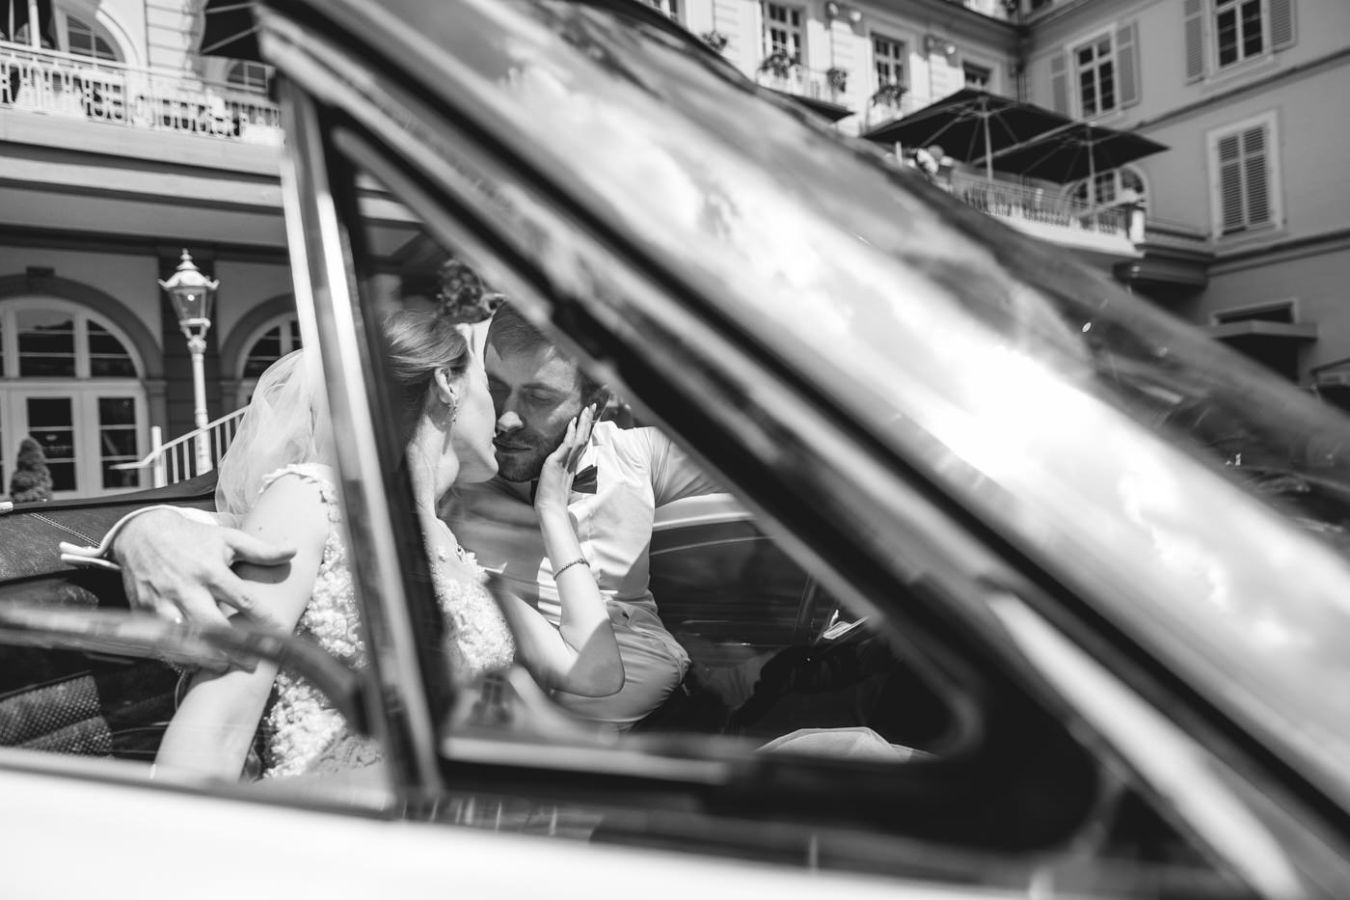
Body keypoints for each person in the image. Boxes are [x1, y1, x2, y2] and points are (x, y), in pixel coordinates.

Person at [152, 309, 621, 779]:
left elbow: (594, 671)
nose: (505, 418)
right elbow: (214, 730)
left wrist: (552, 512)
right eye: (490, 387)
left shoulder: (457, 557)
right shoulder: (313, 499)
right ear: (448, 385)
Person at [444, 304, 721, 728]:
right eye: (496, 388)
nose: (507, 418)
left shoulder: (634, 455)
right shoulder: (452, 476)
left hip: (678, 711)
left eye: (539, 398)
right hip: (550, 740)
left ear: (596, 402)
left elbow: (777, 463)